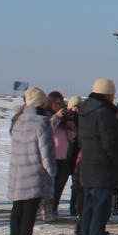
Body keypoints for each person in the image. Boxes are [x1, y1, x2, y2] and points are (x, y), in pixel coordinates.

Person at [76, 78, 118, 235]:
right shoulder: (104, 113)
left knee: (88, 209)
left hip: (87, 164)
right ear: (109, 94)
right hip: (102, 167)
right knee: (100, 211)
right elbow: (109, 142)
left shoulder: (84, 110)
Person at [7, 88, 55, 235]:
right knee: (29, 209)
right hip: (34, 171)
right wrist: (51, 170)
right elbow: (46, 150)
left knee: (17, 207)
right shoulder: (42, 121)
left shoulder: (18, 119)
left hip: (17, 170)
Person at [44, 91, 75, 220]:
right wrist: (56, 117)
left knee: (60, 184)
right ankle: (47, 208)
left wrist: (70, 127)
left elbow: (71, 137)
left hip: (63, 156)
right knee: (50, 185)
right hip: (51, 155)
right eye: (56, 103)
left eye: (61, 103)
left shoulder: (63, 119)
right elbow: (47, 130)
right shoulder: (47, 116)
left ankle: (55, 207)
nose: (59, 106)